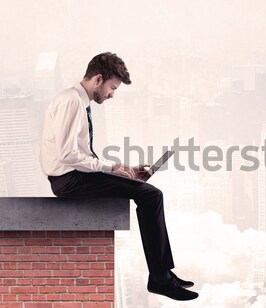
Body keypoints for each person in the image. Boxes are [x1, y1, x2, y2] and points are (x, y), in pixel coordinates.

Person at [39, 52, 198, 301]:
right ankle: (159, 278)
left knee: (141, 187)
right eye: (112, 87)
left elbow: (79, 154)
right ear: (98, 79)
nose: (112, 94)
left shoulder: (79, 102)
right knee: (151, 195)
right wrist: (112, 169)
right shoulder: (71, 102)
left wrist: (124, 171)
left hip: (75, 176)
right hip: (69, 181)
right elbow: (67, 155)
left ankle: (164, 273)